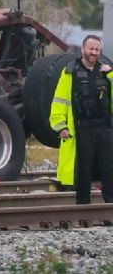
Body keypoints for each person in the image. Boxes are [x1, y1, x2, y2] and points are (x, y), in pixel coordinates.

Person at [49, 35, 113, 204]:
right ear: (83, 49)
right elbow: (59, 100)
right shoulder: (70, 71)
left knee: (109, 168)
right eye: (91, 49)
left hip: (104, 128)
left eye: (97, 49)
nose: (94, 52)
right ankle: (83, 205)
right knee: (83, 169)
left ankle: (110, 205)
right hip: (82, 128)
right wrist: (61, 126)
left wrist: (111, 74)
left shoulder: (106, 71)